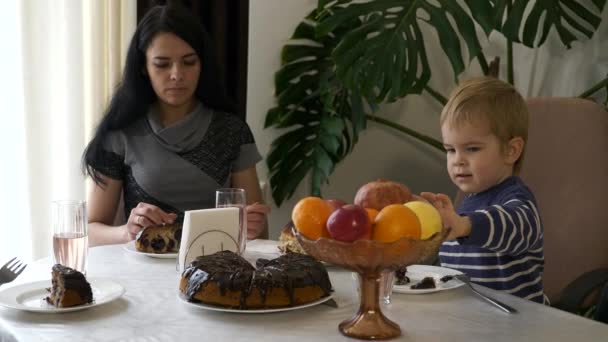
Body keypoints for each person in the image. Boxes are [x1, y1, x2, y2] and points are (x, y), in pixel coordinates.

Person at [82, 4, 270, 246]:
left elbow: (260, 235)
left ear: (202, 64)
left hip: (216, 271)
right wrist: (127, 232)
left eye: (188, 62)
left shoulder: (232, 131)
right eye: (162, 64)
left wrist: (252, 226)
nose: (176, 75)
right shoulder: (120, 133)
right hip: (140, 273)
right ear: (143, 67)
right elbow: (90, 230)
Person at [421, 77, 545, 303]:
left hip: (520, 327)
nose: (457, 160)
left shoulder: (517, 201)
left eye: (472, 149)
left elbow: (514, 227)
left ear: (511, 150)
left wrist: (463, 225)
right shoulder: (467, 206)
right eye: (450, 150)